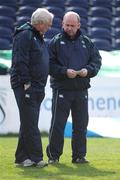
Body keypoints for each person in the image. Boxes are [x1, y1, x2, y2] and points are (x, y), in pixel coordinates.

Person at [46, 11, 102, 164]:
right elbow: (49, 65)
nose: (69, 28)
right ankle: (54, 156)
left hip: (81, 90)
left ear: (79, 25)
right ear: (62, 24)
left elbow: (97, 61)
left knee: (81, 124)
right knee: (58, 124)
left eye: (72, 25)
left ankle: (79, 156)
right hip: (61, 89)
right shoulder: (55, 42)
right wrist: (64, 72)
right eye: (66, 25)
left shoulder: (87, 42)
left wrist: (88, 70)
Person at [10, 8, 54, 167]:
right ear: (40, 23)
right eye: (48, 25)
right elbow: (20, 60)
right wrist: (27, 82)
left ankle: (22, 157)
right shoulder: (25, 35)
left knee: (28, 121)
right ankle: (36, 158)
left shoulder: (36, 36)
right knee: (31, 123)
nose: (49, 28)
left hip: (36, 86)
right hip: (26, 86)